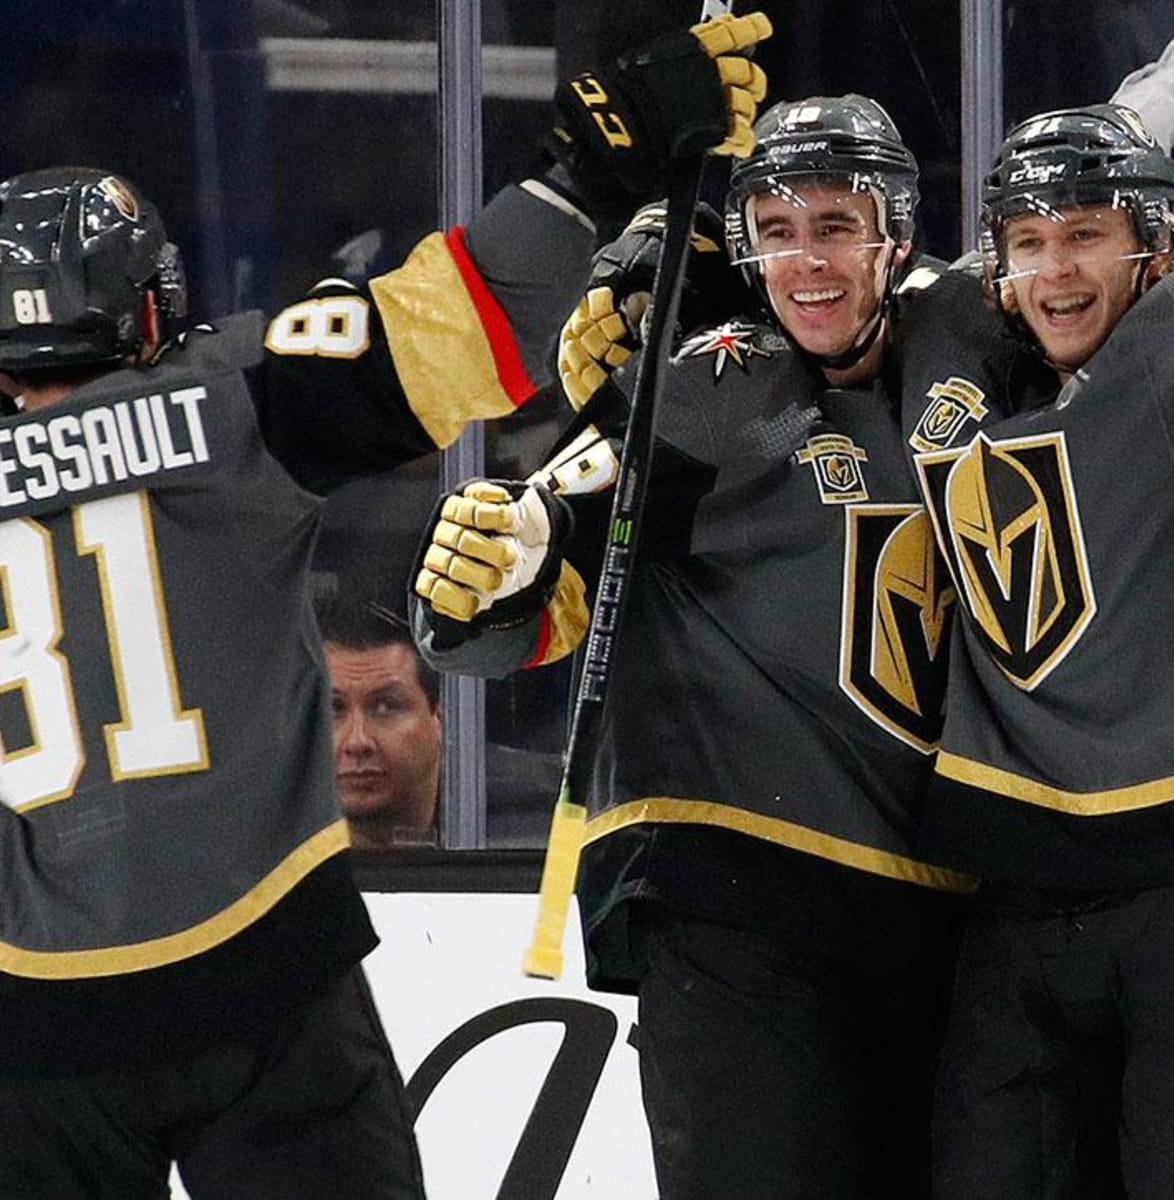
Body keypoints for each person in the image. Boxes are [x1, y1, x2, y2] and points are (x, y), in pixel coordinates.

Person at [0, 16, 772, 1198]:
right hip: (267, 979)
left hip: (30, 1028)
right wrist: (593, 165)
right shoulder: (234, 407)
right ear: (148, 314)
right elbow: (470, 317)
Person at [412, 95, 974, 1199]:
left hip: (954, 904)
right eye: (774, 228)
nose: (805, 259)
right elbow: (544, 575)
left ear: (897, 232)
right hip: (738, 894)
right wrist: (498, 571)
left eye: (833, 224)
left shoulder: (977, 346)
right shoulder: (716, 385)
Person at [896, 102, 1174, 1198]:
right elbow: (818, 271)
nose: (1056, 268)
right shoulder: (954, 344)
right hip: (1014, 901)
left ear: (1158, 246)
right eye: (1030, 240)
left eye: (1086, 235)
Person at [317, 590, 442, 849]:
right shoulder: (259, 869)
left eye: (386, 706)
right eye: (333, 709)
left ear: (438, 718)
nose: (358, 742)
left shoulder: (517, 826)